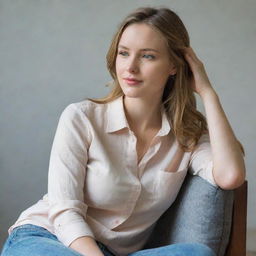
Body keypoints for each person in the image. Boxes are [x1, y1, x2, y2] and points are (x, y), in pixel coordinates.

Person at [1, 6, 245, 256]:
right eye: (124, 53)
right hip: (50, 239)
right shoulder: (81, 117)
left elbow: (230, 176)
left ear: (174, 64)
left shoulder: (186, 134)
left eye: (147, 56)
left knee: (197, 253)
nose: (130, 67)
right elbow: (65, 212)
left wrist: (207, 92)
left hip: (113, 252)